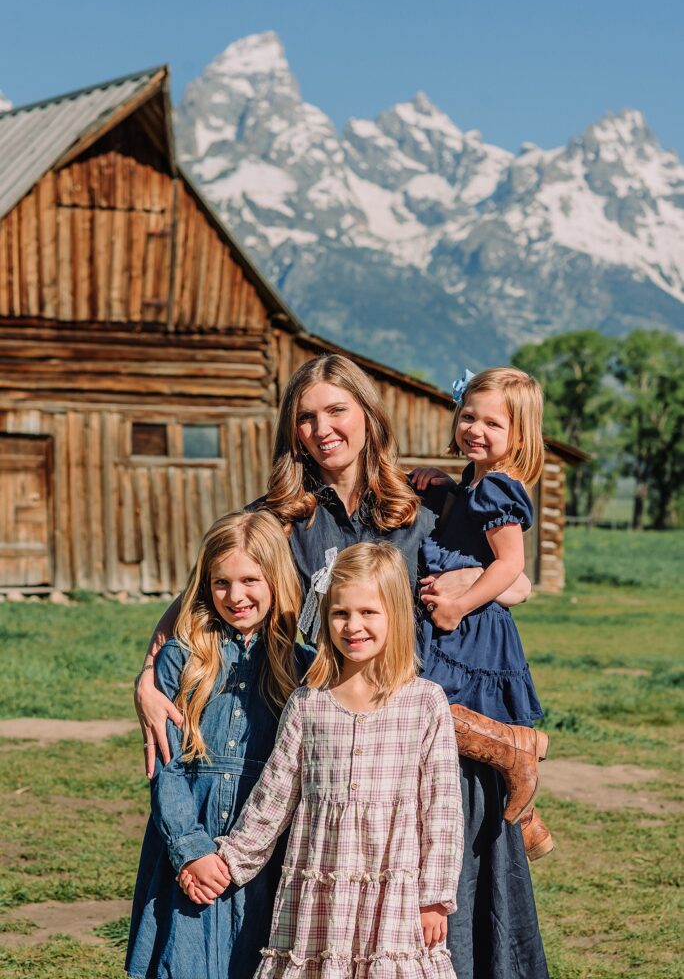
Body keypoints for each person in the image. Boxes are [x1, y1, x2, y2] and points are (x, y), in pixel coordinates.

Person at [134, 354, 544, 978]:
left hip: (419, 752)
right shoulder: (279, 518)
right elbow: (200, 600)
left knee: (435, 932)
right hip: (319, 748)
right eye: (306, 417)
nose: (322, 428)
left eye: (336, 410)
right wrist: (147, 676)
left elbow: (511, 581)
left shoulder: (424, 503)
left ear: (368, 416)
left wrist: (469, 586)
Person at [181, 542, 464, 978]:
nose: (353, 626)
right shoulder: (308, 704)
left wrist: (434, 898)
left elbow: (442, 811)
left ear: (395, 615)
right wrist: (225, 862)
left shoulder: (424, 703)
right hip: (319, 895)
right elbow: (273, 797)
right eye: (340, 613)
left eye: (369, 612)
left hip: (395, 900)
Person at [125, 510, 312, 979]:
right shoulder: (182, 658)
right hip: (190, 838)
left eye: (250, 580)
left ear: (276, 578)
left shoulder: (304, 666)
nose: (235, 596)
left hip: (266, 849)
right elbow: (165, 767)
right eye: (221, 583)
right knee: (185, 962)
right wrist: (191, 849)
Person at [418, 367, 551, 978]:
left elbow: (511, 566)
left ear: (518, 435)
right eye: (469, 416)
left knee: (442, 724)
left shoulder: (499, 488)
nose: (475, 428)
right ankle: (525, 815)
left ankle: (516, 768)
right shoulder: (474, 484)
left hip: (470, 633)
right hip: (459, 627)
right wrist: (444, 490)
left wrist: (460, 602)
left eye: (492, 422)